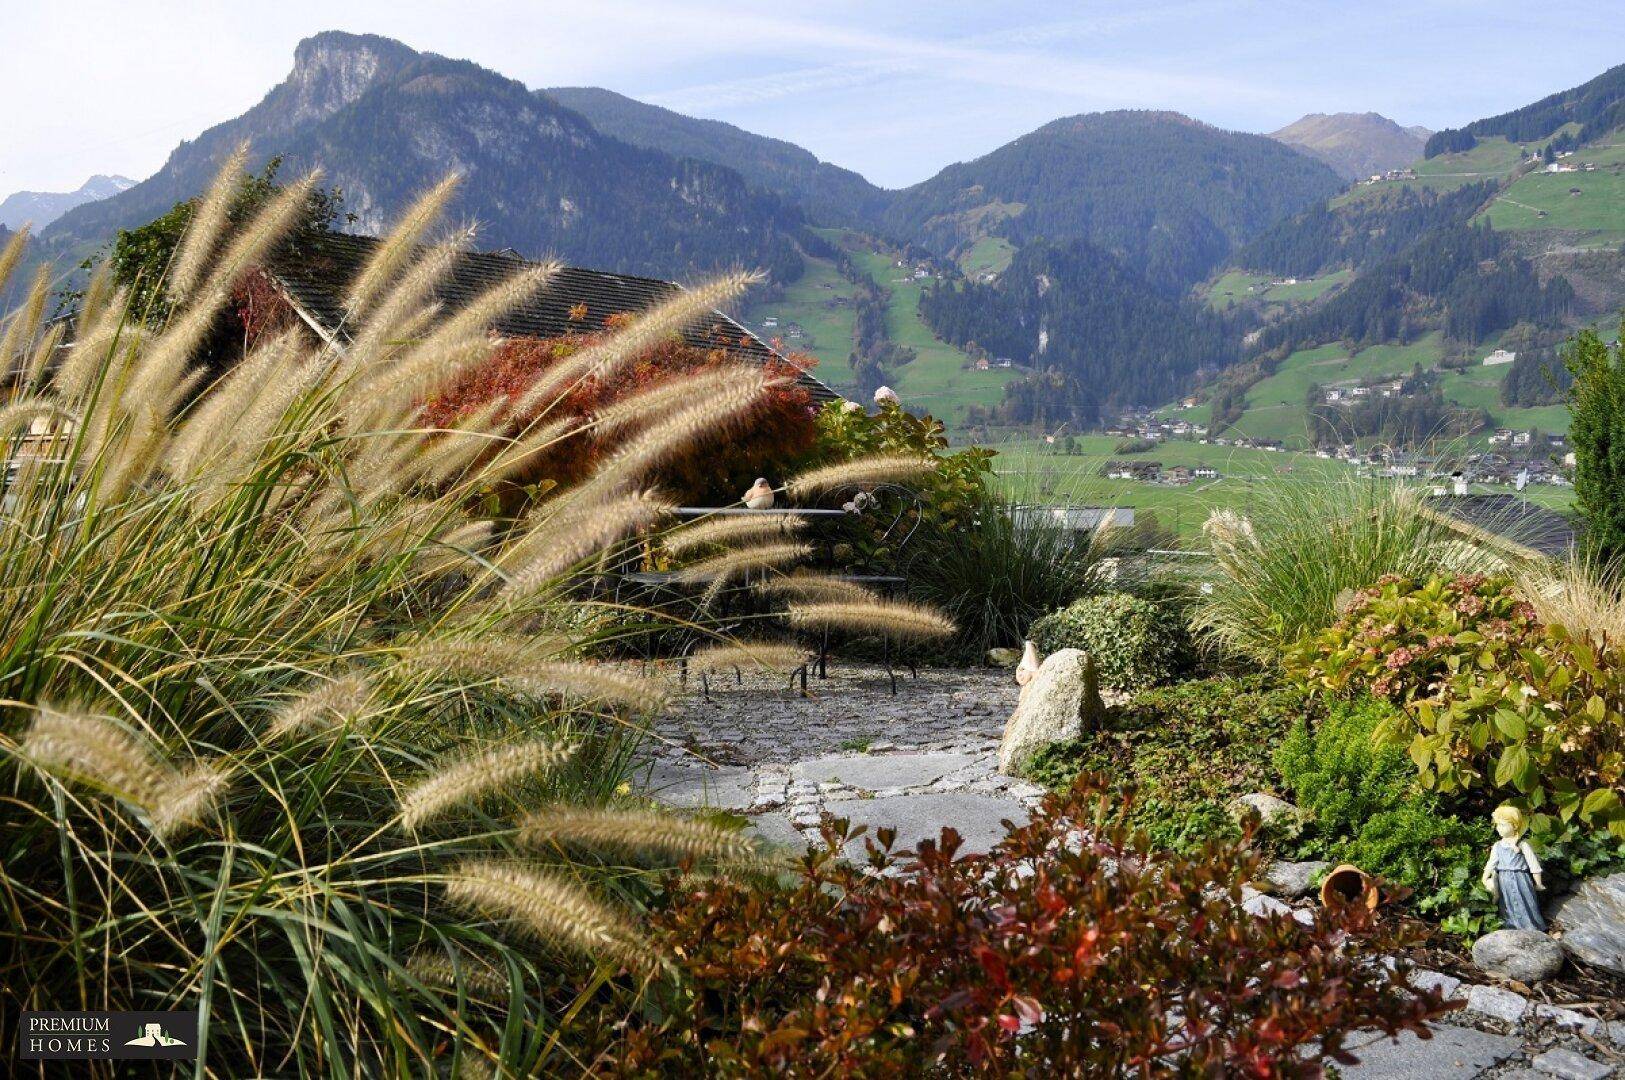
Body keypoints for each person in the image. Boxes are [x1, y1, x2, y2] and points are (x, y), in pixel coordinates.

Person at [1480, 804, 1545, 931]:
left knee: (1525, 900)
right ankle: (1510, 925)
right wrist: (1485, 877)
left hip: (1521, 879)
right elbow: (1491, 862)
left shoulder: (1522, 844)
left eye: (1503, 825)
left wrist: (1538, 883)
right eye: (1498, 825)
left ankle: (1530, 925)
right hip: (1504, 880)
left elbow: (1533, 865)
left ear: (1514, 826)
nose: (1499, 828)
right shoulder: (1497, 846)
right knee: (1507, 903)